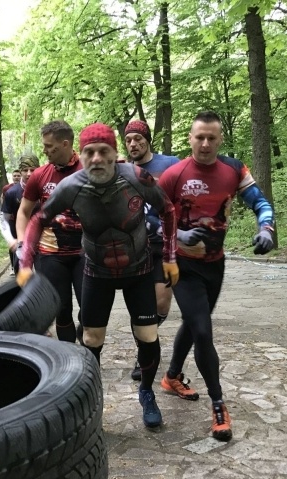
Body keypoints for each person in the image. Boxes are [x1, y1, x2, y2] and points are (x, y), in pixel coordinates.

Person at [17, 123, 179, 430]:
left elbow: (168, 210)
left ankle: (146, 392)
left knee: (147, 335)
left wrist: (170, 257)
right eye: (89, 152)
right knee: (91, 338)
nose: (96, 159)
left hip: (139, 270)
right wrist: (26, 260)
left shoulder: (136, 177)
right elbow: (38, 219)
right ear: (83, 154)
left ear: (115, 153)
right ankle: (92, 398)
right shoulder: (71, 186)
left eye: (103, 151)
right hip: (96, 271)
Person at [158, 110, 275, 441]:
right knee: (204, 332)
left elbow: (260, 203)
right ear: (190, 138)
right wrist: (178, 237)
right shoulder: (174, 174)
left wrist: (265, 228)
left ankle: (171, 377)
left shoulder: (233, 170)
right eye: (200, 137)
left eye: (212, 137)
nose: (206, 143)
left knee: (194, 325)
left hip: (215, 264)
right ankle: (219, 404)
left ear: (220, 138)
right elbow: (149, 218)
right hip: (183, 266)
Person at [123, 120, 191, 398]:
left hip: (164, 245)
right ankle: (144, 353)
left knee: (162, 303)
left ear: (147, 139)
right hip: (134, 247)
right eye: (128, 140)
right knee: (140, 306)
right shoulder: (124, 170)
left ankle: (145, 341)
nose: (133, 144)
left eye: (138, 139)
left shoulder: (171, 163)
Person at [16, 120, 84, 343]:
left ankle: (89, 354)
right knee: (62, 309)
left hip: (86, 254)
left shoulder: (89, 169)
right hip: (50, 254)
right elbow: (24, 212)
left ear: (65, 144)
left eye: (48, 146)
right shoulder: (40, 175)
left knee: (91, 310)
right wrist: (21, 241)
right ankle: (69, 358)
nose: (44, 151)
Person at [0, 154, 39, 274]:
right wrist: (10, 240)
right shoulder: (12, 193)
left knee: (45, 281)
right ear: (20, 171)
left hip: (43, 244)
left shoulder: (44, 189)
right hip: (21, 244)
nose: (29, 174)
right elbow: (2, 218)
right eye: (25, 170)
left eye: (32, 170)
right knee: (22, 282)